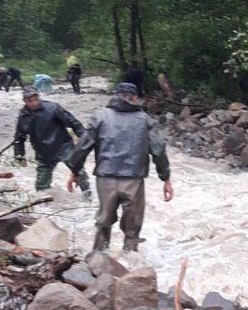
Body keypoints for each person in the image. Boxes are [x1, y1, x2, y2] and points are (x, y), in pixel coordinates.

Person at [67, 82, 173, 252]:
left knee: (103, 221)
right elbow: (158, 150)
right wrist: (165, 178)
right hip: (133, 179)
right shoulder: (145, 119)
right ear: (136, 98)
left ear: (115, 95)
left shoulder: (100, 116)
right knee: (132, 227)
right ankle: (130, 262)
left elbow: (83, 147)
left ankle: (98, 257)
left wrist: (74, 171)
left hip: (105, 178)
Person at [14, 86, 92, 196]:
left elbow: (72, 122)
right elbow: (19, 138)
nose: (33, 103)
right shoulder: (24, 115)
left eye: (35, 99)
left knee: (78, 170)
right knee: (41, 185)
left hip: (63, 146)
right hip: (43, 152)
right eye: (29, 100)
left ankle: (88, 195)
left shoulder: (53, 108)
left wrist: (85, 137)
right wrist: (19, 156)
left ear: (38, 97)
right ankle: (43, 207)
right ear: (25, 101)